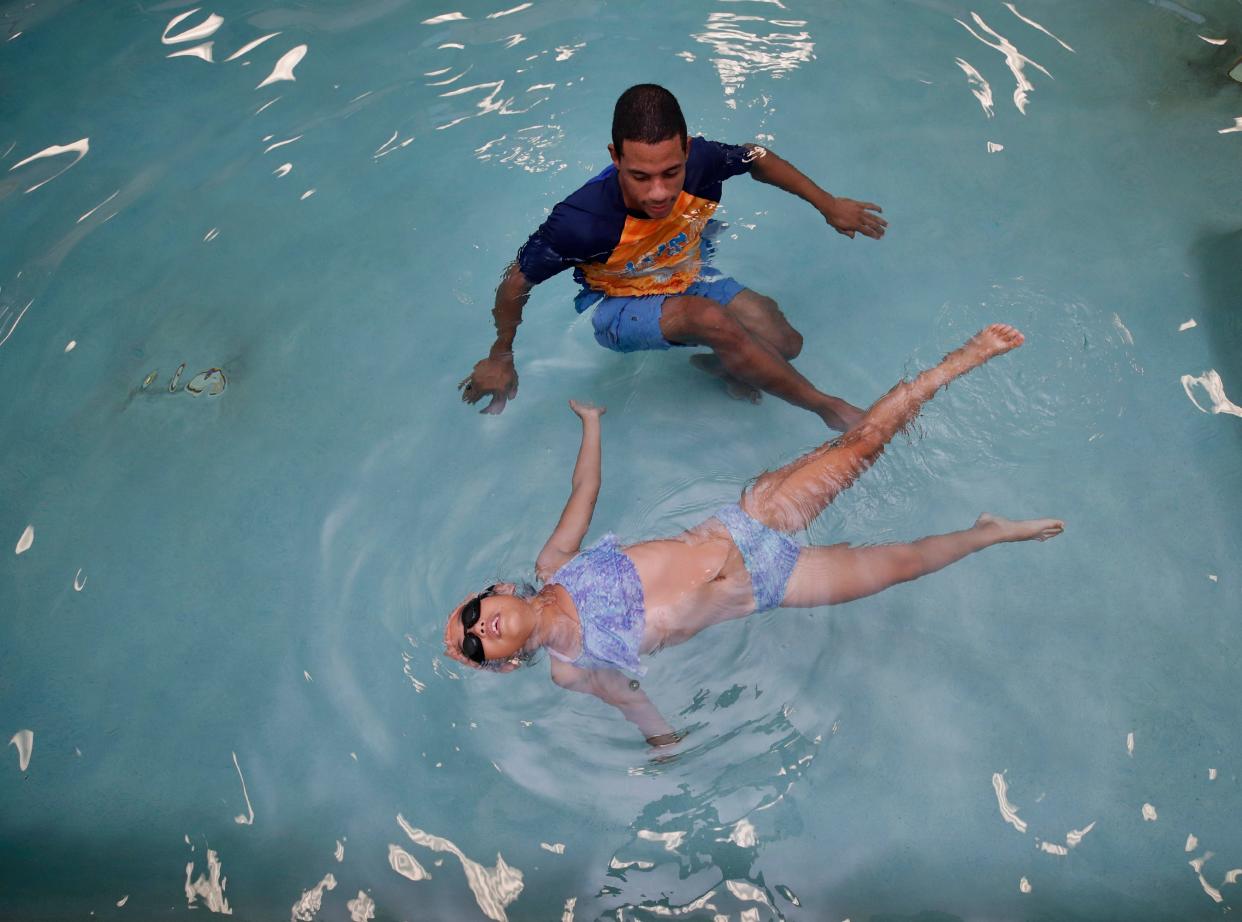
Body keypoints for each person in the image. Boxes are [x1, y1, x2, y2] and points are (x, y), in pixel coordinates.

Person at [444, 325, 1063, 747]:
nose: (480, 628)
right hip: (769, 585)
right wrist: (665, 746)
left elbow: (584, 494)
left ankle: (962, 359)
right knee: (901, 565)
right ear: (498, 666)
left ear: (496, 590)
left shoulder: (556, 563)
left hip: (750, 522)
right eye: (474, 645)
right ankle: (987, 533)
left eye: (472, 613)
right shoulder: (569, 670)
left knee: (864, 444)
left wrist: (592, 424)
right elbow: (629, 698)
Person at [457, 83, 889, 430]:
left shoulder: (704, 160)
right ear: (614, 156)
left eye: (671, 172)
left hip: (684, 273)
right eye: (640, 176)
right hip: (618, 306)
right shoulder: (580, 221)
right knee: (711, 321)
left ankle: (723, 368)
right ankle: (828, 408)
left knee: (786, 344)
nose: (659, 192)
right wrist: (501, 354)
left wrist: (827, 203)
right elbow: (515, 282)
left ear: (686, 149)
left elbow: (757, 156)